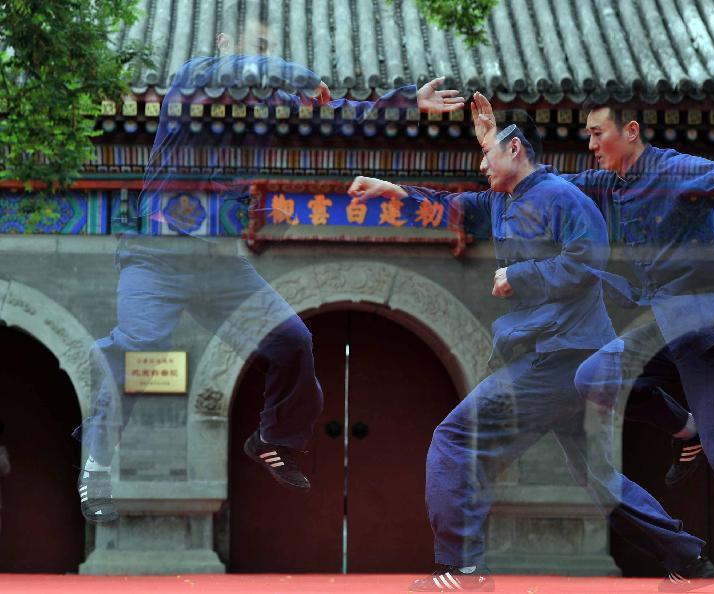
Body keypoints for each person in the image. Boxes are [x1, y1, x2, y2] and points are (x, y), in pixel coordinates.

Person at [74, 17, 465, 523]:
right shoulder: (192, 81)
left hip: (218, 265)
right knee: (138, 347)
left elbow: (334, 111)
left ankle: (272, 437)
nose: (260, 65)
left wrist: (405, 103)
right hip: (157, 256)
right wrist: (292, 74)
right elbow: (255, 74)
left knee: (293, 341)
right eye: (253, 50)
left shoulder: (264, 110)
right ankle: (97, 466)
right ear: (223, 46)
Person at [348, 95, 714, 593]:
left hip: (566, 357)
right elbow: (449, 204)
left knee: (455, 441)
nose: (481, 165)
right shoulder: (502, 199)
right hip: (560, 359)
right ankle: (689, 557)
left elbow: (589, 260)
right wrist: (390, 188)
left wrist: (519, 276)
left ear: (516, 149)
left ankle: (463, 570)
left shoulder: (562, 197)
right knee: (599, 478)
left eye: (487, 156)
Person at [544, 103, 714, 594]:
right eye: (586, 135)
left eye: (596, 133)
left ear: (630, 131)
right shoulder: (611, 184)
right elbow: (558, 187)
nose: (589, 144)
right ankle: (683, 427)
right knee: (592, 377)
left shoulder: (677, 170)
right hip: (672, 333)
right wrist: (505, 161)